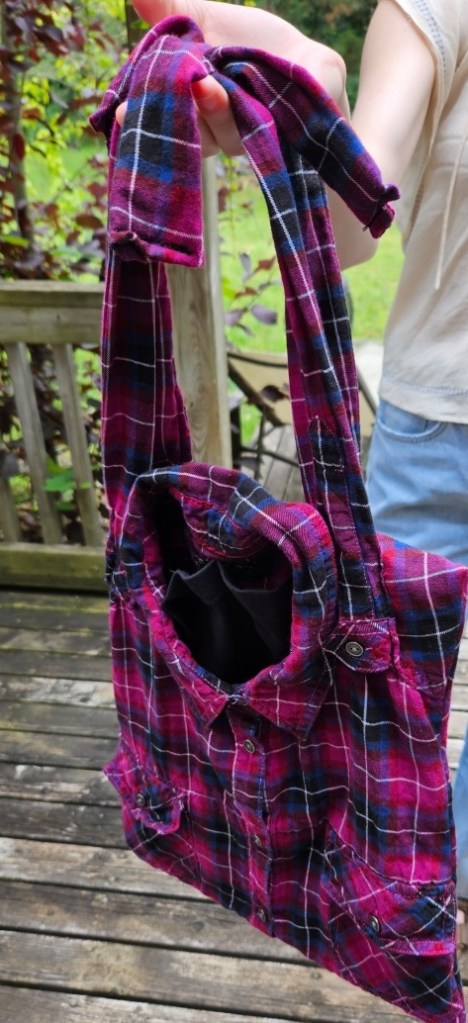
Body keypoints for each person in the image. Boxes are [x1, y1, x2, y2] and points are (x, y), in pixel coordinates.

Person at [126, 0, 468, 927]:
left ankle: (442, 891)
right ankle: (380, 904)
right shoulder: (438, 10)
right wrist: (315, 105)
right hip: (439, 426)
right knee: (363, 708)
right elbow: (354, 223)